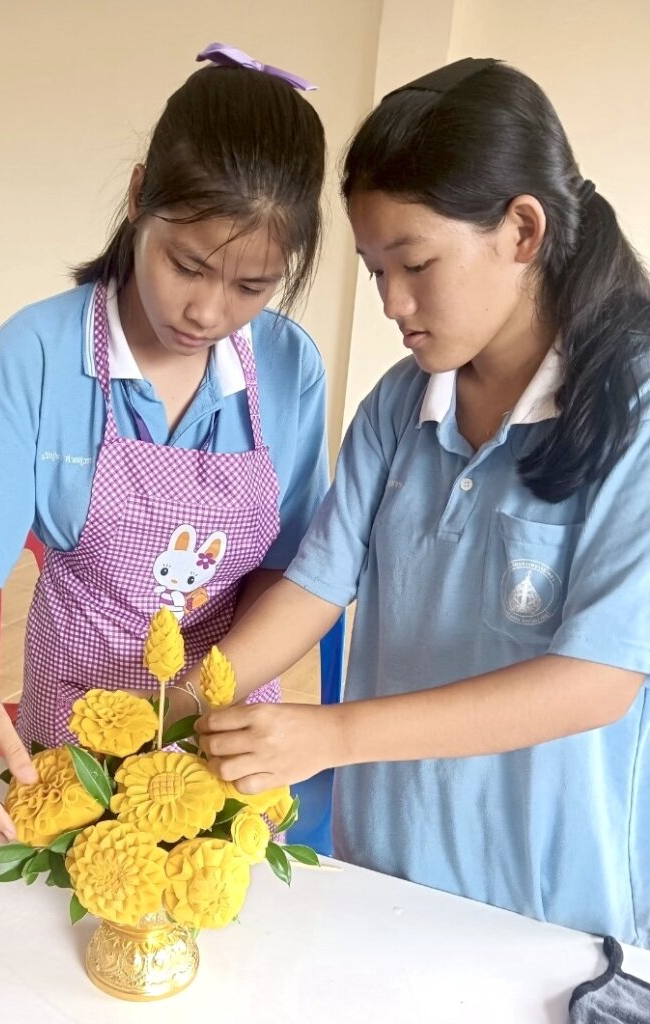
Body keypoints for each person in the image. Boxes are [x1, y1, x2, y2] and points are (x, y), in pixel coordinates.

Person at [194, 58, 650, 947]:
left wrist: (331, 736)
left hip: (548, 903)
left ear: (522, 229)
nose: (391, 303)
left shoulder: (630, 416)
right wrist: (184, 699)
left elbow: (595, 681)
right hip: (385, 862)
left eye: (414, 263)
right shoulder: (400, 406)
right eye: (374, 271)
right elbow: (316, 586)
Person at [0, 43, 329, 845]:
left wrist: (196, 705)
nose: (207, 312)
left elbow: (288, 571)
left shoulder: (287, 368)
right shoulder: (35, 355)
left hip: (223, 736)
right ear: (139, 197)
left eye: (251, 286)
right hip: (71, 736)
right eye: (187, 265)